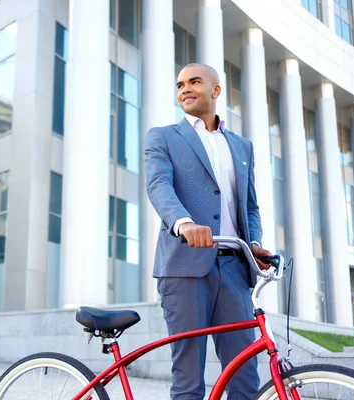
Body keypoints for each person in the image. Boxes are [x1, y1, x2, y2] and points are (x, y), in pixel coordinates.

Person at [143, 63, 273, 400]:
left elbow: (250, 206)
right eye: (180, 84)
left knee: (245, 375)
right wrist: (184, 224)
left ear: (216, 91)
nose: (184, 89)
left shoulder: (242, 146)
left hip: (233, 268)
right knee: (189, 380)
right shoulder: (163, 137)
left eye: (194, 82)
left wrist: (254, 244)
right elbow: (159, 186)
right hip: (185, 267)